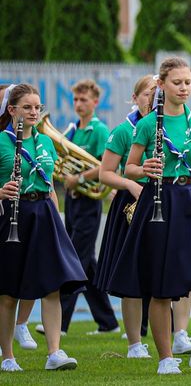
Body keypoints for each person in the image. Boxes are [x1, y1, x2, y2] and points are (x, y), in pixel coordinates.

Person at [110, 57, 191, 374]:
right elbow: (129, 167)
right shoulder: (148, 124)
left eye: (188, 82)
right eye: (177, 82)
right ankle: (165, 358)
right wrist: (144, 169)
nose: (184, 88)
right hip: (159, 201)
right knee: (161, 281)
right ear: (161, 85)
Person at [1, 84, 86, 372]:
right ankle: (8, 357)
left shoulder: (46, 143)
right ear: (11, 110)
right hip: (13, 215)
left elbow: (49, 184)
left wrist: (57, 218)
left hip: (45, 214)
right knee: (9, 290)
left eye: (37, 107)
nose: (34, 112)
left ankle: (55, 353)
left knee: (52, 286)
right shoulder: (1, 142)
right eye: (27, 107)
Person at [95, 75, 157, 359]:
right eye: (147, 94)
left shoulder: (172, 126)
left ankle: (177, 336)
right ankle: (134, 343)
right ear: (135, 98)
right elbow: (105, 173)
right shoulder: (124, 130)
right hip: (131, 204)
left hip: (165, 200)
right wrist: (130, 183)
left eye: (158, 93)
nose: (153, 99)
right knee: (132, 275)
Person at [59, 79, 119, 337]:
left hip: (90, 200)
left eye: (84, 100)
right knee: (88, 265)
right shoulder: (72, 130)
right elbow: (64, 160)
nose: (79, 104)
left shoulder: (99, 130)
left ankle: (59, 323)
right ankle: (108, 322)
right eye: (76, 100)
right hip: (73, 200)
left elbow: (105, 165)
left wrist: (80, 179)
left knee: (75, 260)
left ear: (95, 102)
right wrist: (67, 178)